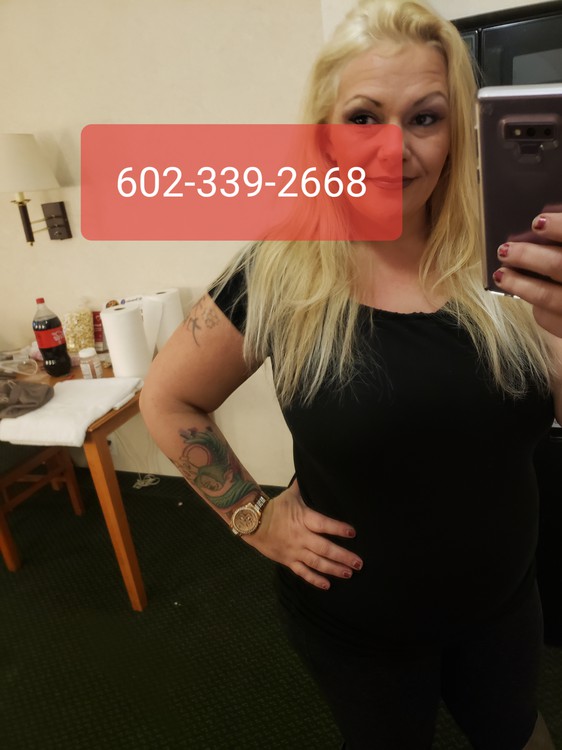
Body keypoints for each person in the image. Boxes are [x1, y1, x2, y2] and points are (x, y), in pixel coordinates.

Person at [139, 1, 562, 747]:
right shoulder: (279, 272)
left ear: (458, 130)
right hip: (358, 626)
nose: (392, 150)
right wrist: (253, 517)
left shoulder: (509, 254)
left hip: (504, 604)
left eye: (425, 118)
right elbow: (169, 398)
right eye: (364, 117)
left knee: (516, 732)